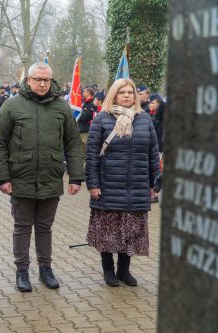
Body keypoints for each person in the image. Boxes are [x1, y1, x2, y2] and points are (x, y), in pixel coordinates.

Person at [0, 61, 85, 292]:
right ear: (28, 80)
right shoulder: (12, 105)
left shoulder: (61, 108)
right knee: (22, 226)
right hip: (20, 177)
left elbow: (73, 143)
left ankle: (46, 269)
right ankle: (22, 271)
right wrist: (2, 178)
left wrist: (76, 176)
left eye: (46, 80)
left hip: (51, 177)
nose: (42, 84)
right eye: (38, 79)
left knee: (45, 226)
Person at [85, 78, 160, 287]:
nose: (127, 95)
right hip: (108, 184)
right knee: (107, 231)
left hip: (136, 185)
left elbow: (153, 154)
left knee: (130, 230)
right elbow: (91, 155)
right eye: (122, 92)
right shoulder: (102, 119)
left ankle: (124, 270)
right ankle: (108, 270)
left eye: (130, 92)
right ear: (114, 95)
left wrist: (155, 182)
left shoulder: (144, 120)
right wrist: (93, 183)